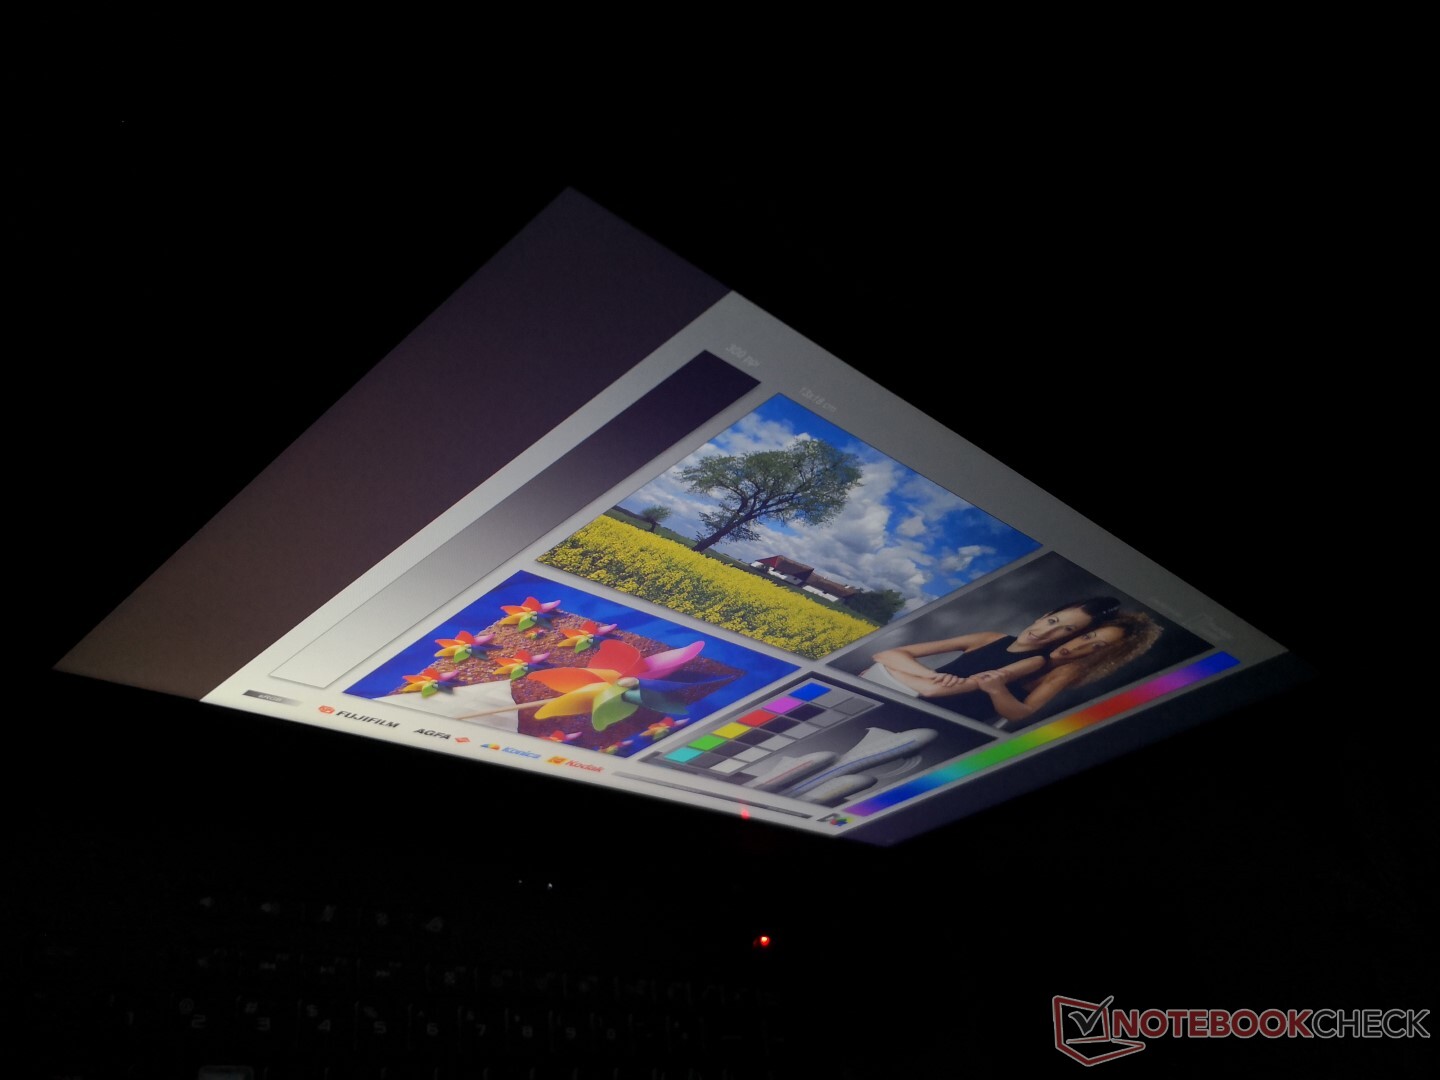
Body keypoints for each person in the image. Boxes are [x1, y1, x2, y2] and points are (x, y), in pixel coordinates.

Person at [866, 596, 1122, 701]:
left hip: (933, 714)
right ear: (1044, 616)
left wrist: (899, 671)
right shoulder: (990, 637)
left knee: (875, 674)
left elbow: (934, 691)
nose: (1046, 632)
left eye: (1066, 631)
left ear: (1070, 638)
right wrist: (929, 674)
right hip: (910, 693)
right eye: (1053, 621)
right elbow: (885, 654)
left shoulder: (1035, 662)